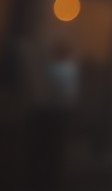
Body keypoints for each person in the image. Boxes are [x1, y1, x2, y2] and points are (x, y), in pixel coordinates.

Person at [22, 37, 80, 191]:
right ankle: (50, 181)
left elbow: (51, 93)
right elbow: (69, 96)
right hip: (58, 115)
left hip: (50, 114)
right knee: (54, 153)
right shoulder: (67, 69)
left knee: (45, 152)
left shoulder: (59, 70)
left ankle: (43, 182)